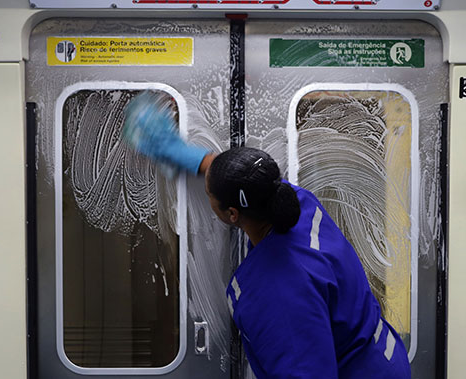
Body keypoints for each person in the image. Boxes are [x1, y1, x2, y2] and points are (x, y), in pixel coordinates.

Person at [123, 95, 411, 379]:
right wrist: (176, 151)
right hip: (382, 357)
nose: (207, 197)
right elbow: (239, 178)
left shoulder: (277, 293)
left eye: (209, 195)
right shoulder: (298, 203)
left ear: (232, 214)